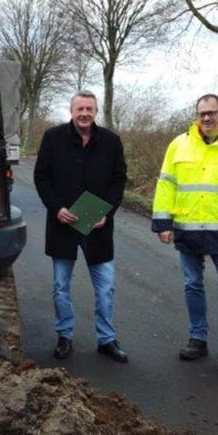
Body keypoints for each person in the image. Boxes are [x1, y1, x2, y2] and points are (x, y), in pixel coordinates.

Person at [151, 94, 218, 377]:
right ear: (196, 115)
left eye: (211, 112)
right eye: (201, 113)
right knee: (192, 285)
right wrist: (163, 223)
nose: (206, 118)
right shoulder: (178, 145)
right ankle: (198, 339)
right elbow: (166, 185)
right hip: (188, 229)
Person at [34, 90, 129, 363]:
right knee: (61, 286)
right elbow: (41, 178)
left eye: (89, 109)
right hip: (63, 224)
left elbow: (118, 179)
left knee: (105, 287)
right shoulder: (53, 138)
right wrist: (56, 208)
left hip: (97, 226)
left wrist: (107, 212)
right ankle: (65, 336)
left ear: (96, 112)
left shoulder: (112, 141)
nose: (84, 113)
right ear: (72, 111)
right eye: (79, 109)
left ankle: (107, 340)